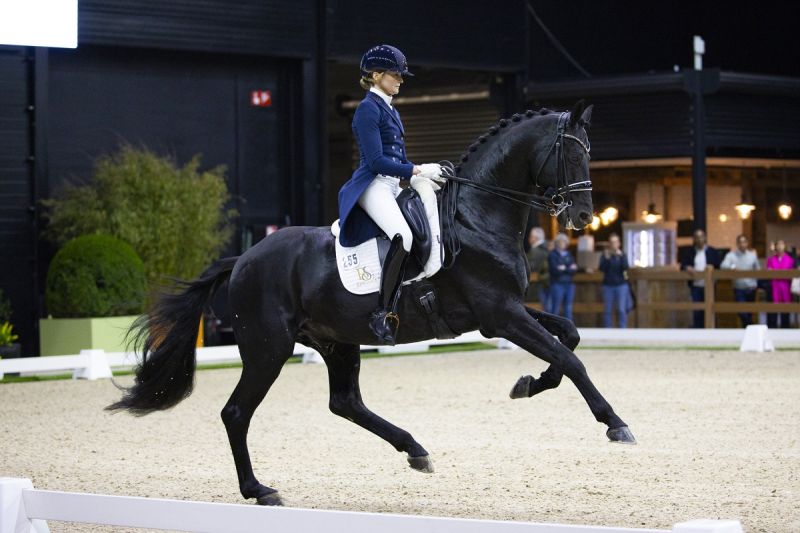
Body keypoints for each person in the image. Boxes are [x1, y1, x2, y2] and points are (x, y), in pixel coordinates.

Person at [337, 44, 445, 344]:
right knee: (403, 236)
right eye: (395, 75)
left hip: (393, 184)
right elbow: (376, 161)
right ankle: (382, 313)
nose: (400, 80)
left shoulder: (389, 108)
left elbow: (397, 157)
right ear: (376, 75)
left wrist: (422, 175)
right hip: (372, 184)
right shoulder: (367, 109)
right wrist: (417, 170)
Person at [679, 229, 721, 328]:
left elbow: (718, 266)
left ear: (705, 238)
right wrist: (687, 267)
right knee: (697, 309)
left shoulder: (712, 251)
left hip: (709, 285)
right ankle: (698, 330)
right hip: (696, 285)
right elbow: (683, 265)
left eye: (701, 237)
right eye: (697, 237)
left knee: (710, 309)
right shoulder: (690, 252)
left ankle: (710, 329)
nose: (699, 239)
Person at [720, 234, 760, 327]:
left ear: (747, 243)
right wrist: (732, 267)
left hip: (751, 287)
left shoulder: (752, 255)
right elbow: (723, 265)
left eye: (744, 242)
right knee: (742, 311)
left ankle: (747, 331)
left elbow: (758, 269)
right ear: (737, 244)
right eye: (740, 242)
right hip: (739, 288)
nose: (742, 244)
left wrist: (755, 282)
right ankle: (750, 326)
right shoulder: (731, 255)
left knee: (749, 312)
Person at [598, 233, 630, 328]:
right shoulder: (605, 254)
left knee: (621, 309)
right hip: (608, 285)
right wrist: (607, 259)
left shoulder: (622, 254)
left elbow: (626, 268)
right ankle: (608, 330)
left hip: (621, 285)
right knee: (607, 309)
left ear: (619, 243)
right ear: (609, 244)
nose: (614, 244)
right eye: (612, 242)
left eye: (615, 242)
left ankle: (622, 329)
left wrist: (621, 257)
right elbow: (601, 269)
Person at [548, 233, 578, 320]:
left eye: (565, 242)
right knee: (556, 307)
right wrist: (568, 268)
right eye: (561, 242)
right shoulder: (553, 255)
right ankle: (553, 327)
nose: (563, 243)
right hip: (557, 284)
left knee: (568, 307)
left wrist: (564, 268)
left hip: (569, 284)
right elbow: (554, 270)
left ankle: (569, 328)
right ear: (557, 243)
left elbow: (574, 269)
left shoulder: (569, 255)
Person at [766, 239, 795, 328]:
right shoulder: (771, 259)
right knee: (772, 312)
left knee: (785, 312)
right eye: (778, 244)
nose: (780, 247)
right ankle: (772, 330)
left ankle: (785, 330)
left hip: (785, 287)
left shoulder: (790, 259)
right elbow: (769, 271)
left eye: (782, 244)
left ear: (785, 246)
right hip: (774, 287)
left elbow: (789, 272)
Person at [525, 227, 550, 309]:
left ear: (534, 238)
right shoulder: (547, 248)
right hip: (546, 282)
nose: (529, 239)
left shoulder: (536, 251)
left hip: (537, 284)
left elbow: (531, 266)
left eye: (530, 237)